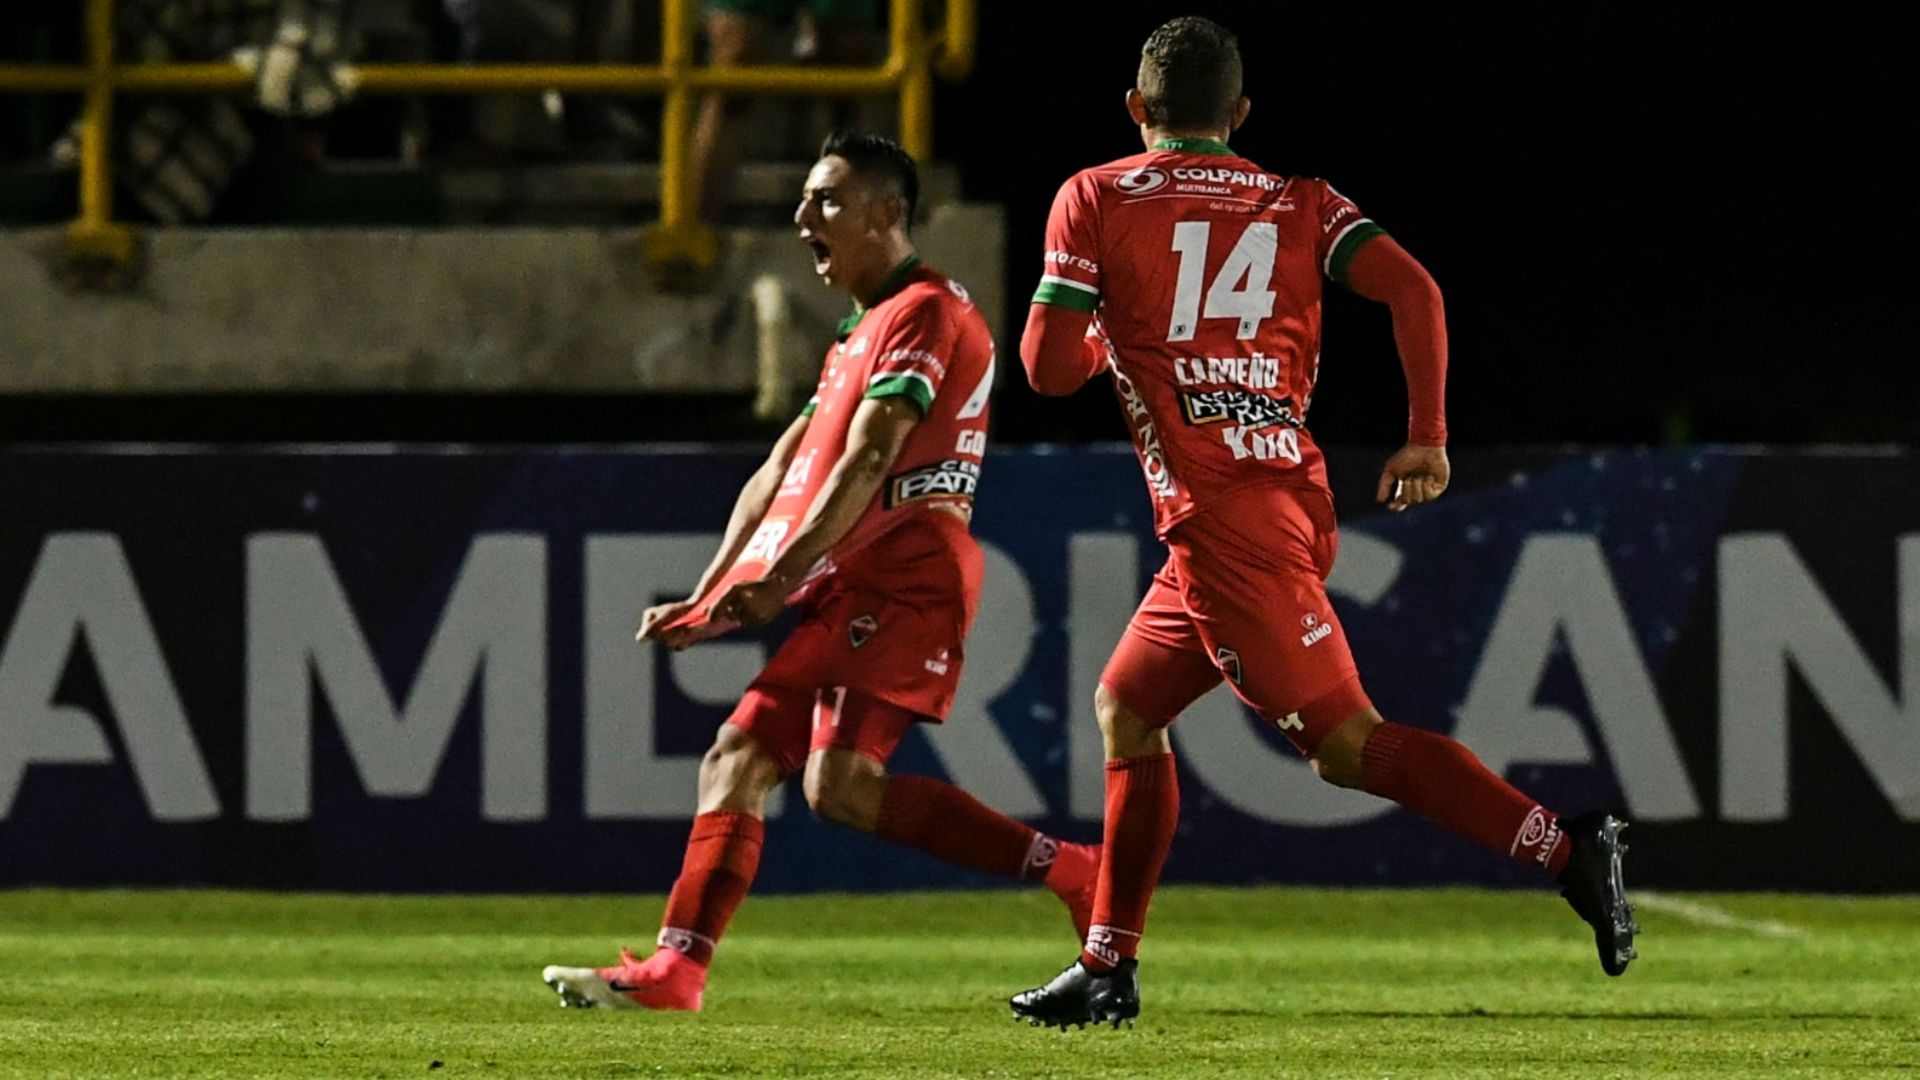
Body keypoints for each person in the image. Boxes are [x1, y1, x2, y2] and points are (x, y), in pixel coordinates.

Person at [1006, 17, 1638, 1029]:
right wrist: (1425, 436)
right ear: (1240, 115)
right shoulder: (1299, 200)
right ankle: (1108, 967)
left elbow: (1045, 369)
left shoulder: (1097, 193)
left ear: (1136, 109)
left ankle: (1566, 847)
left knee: (1348, 748)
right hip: (1286, 496)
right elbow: (1414, 289)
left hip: (1222, 524)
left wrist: (1108, 341)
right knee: (1128, 704)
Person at [541, 131, 1096, 1012]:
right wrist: (717, 587)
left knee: (740, 755)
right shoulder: (860, 329)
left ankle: (676, 969)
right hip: (861, 574)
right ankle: (1075, 871)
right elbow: (780, 469)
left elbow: (868, 459)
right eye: (804, 200)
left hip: (903, 574)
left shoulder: (924, 312)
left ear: (886, 212)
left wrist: (778, 576)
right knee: (838, 789)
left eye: (826, 201)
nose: (803, 218)